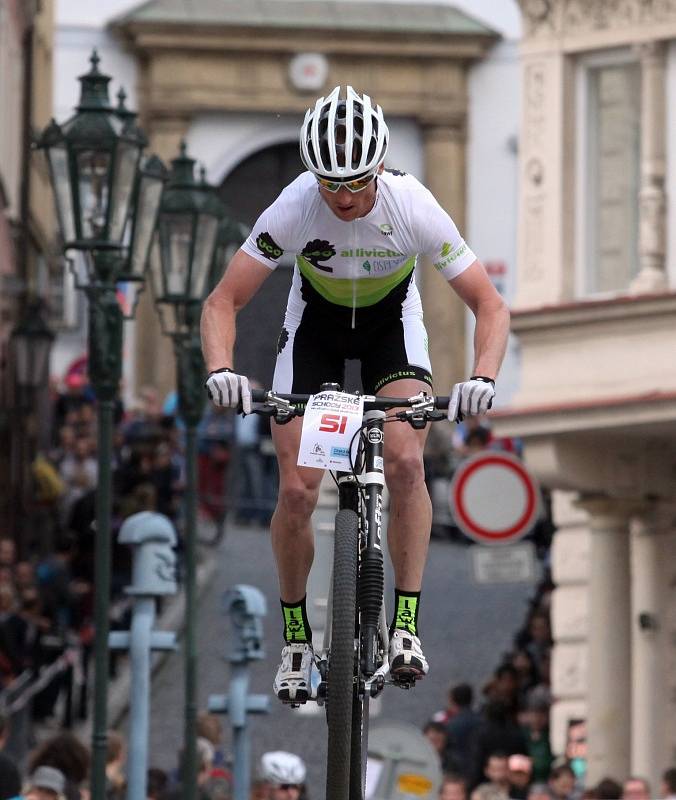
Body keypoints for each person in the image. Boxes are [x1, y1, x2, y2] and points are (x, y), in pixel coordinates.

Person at [201, 85, 509, 702]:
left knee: (403, 459)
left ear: (379, 168)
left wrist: (482, 377)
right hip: (312, 328)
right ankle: (295, 638)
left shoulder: (412, 205)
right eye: (328, 184)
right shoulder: (293, 206)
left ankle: (404, 626)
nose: (341, 198)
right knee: (296, 487)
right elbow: (223, 301)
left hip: (389, 329)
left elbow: (489, 304)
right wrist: (221, 370)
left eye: (355, 184)